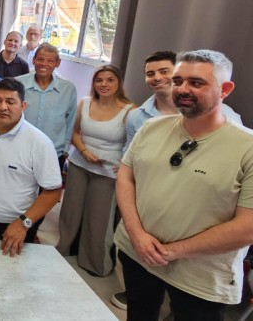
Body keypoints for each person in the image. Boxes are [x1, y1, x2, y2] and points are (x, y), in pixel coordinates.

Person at [115, 50, 253, 320]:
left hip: (199, 275)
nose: (183, 89)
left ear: (225, 89)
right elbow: (125, 176)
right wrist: (137, 235)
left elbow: (247, 227)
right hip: (137, 254)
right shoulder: (151, 128)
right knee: (140, 313)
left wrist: (172, 251)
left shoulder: (247, 147)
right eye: (178, 81)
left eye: (196, 83)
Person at [0, 78, 62, 255]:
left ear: (23, 105)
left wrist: (23, 223)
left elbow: (53, 192)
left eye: (10, 102)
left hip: (13, 227)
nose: (3, 107)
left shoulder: (39, 143)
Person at [56, 65, 134, 276]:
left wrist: (127, 165)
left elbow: (135, 144)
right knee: (70, 212)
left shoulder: (130, 111)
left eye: (110, 80)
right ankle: (63, 251)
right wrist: (82, 150)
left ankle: (95, 263)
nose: (104, 84)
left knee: (100, 219)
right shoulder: (86, 103)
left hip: (108, 172)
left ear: (119, 83)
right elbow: (73, 132)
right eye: (99, 80)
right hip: (79, 164)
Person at [15, 43, 77, 171]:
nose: (44, 64)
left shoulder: (68, 89)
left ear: (57, 63)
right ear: (34, 60)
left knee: (48, 190)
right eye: (40, 59)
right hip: (19, 149)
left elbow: (71, 121)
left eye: (50, 61)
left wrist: (65, 149)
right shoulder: (18, 83)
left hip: (53, 152)